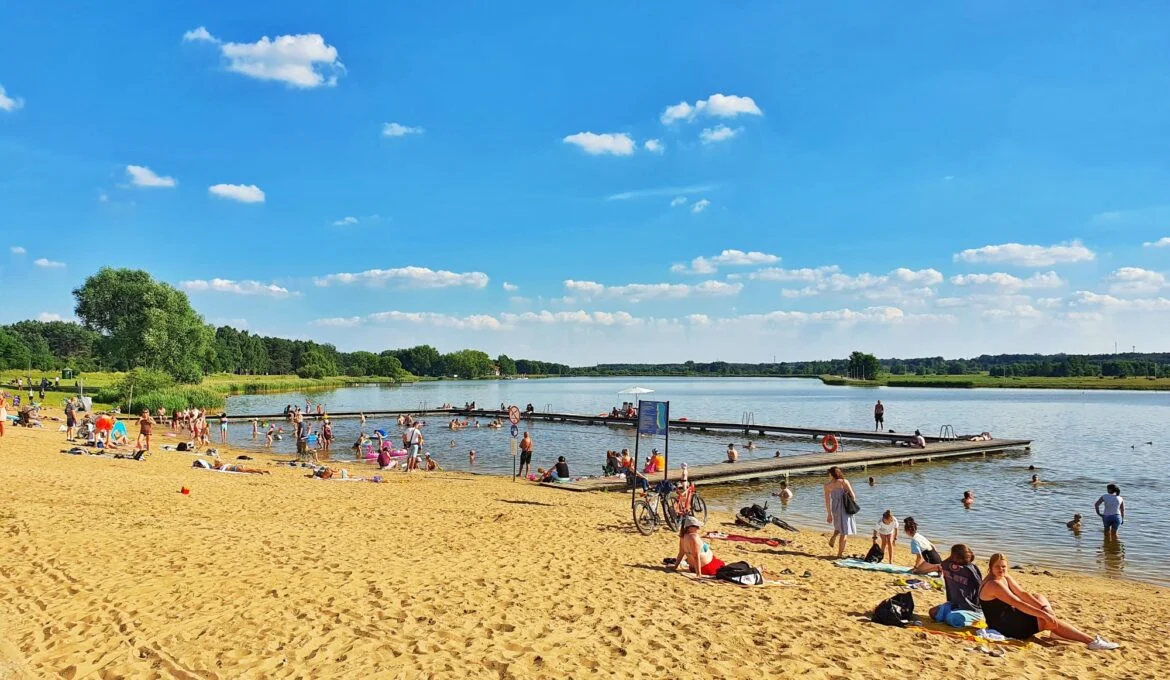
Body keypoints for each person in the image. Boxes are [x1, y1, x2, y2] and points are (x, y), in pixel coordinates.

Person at [979, 553, 1119, 649]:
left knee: (1039, 597)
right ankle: (1092, 642)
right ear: (990, 567)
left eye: (1004, 566)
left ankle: (1054, 629)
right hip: (1004, 626)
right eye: (997, 566)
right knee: (1045, 620)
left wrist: (1044, 608)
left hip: (1009, 615)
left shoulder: (1004, 576)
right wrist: (1044, 615)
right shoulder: (993, 584)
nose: (1001, 569)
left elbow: (1022, 593)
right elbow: (1018, 602)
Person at [929, 544, 984, 625]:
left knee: (951, 618)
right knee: (933, 612)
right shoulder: (947, 565)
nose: (958, 562)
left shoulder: (971, 570)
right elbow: (942, 563)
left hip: (971, 608)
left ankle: (975, 618)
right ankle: (956, 614)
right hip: (955, 604)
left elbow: (981, 588)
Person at [823, 466, 857, 559]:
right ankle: (839, 554)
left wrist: (829, 514)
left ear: (832, 474)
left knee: (838, 525)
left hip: (835, 508)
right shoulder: (844, 482)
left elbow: (827, 501)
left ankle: (834, 536)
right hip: (845, 508)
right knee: (844, 532)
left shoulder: (827, 486)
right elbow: (853, 496)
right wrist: (852, 505)